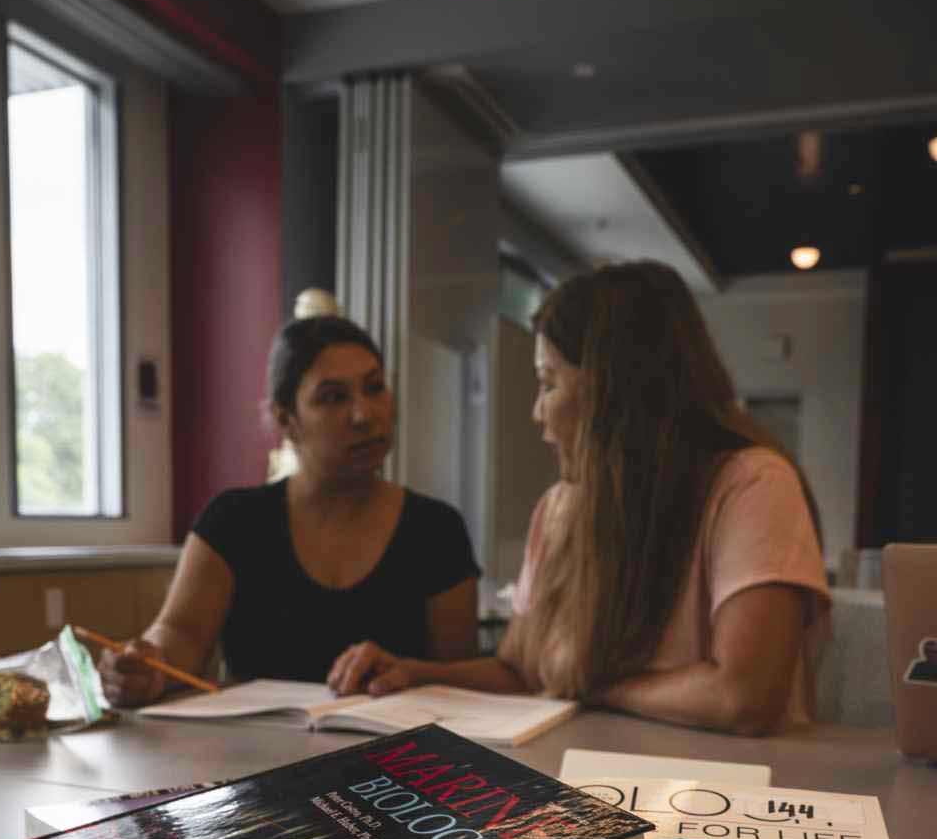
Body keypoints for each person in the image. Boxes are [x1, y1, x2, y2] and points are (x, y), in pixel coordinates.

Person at [329, 260, 830, 736]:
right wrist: (415, 674)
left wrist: (594, 684)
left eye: (548, 383)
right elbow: (523, 671)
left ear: (614, 391)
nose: (536, 411)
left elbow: (743, 698)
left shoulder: (753, 484)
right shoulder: (558, 508)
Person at [99, 315, 479, 706]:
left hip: (399, 759)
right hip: (252, 755)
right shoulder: (233, 522)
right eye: (333, 397)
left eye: (375, 387)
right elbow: (179, 635)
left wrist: (410, 672)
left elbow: (460, 681)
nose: (364, 414)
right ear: (286, 419)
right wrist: (146, 665)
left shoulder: (436, 530)